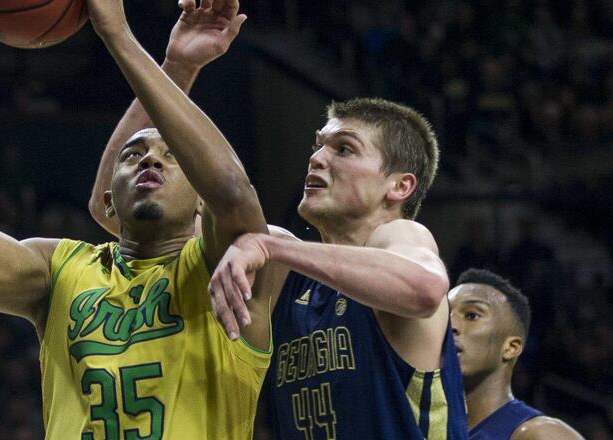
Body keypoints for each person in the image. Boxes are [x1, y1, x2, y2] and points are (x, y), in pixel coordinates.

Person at [0, 0, 274, 438]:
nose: (150, 162)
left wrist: (119, 37)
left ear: (201, 203)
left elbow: (231, 190)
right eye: (133, 155)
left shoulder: (229, 264)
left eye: (170, 156)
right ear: (108, 198)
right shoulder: (61, 272)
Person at [207, 98, 468, 438]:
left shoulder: (400, 237)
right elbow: (120, 215)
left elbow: (425, 289)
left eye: (344, 149)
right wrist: (178, 68)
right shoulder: (288, 272)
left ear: (399, 186)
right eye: (317, 147)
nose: (316, 159)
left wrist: (271, 247)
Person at [449, 268, 584, 440]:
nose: (450, 324)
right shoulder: (420, 426)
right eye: (445, 315)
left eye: (472, 315)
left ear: (511, 347)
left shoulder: (541, 434)